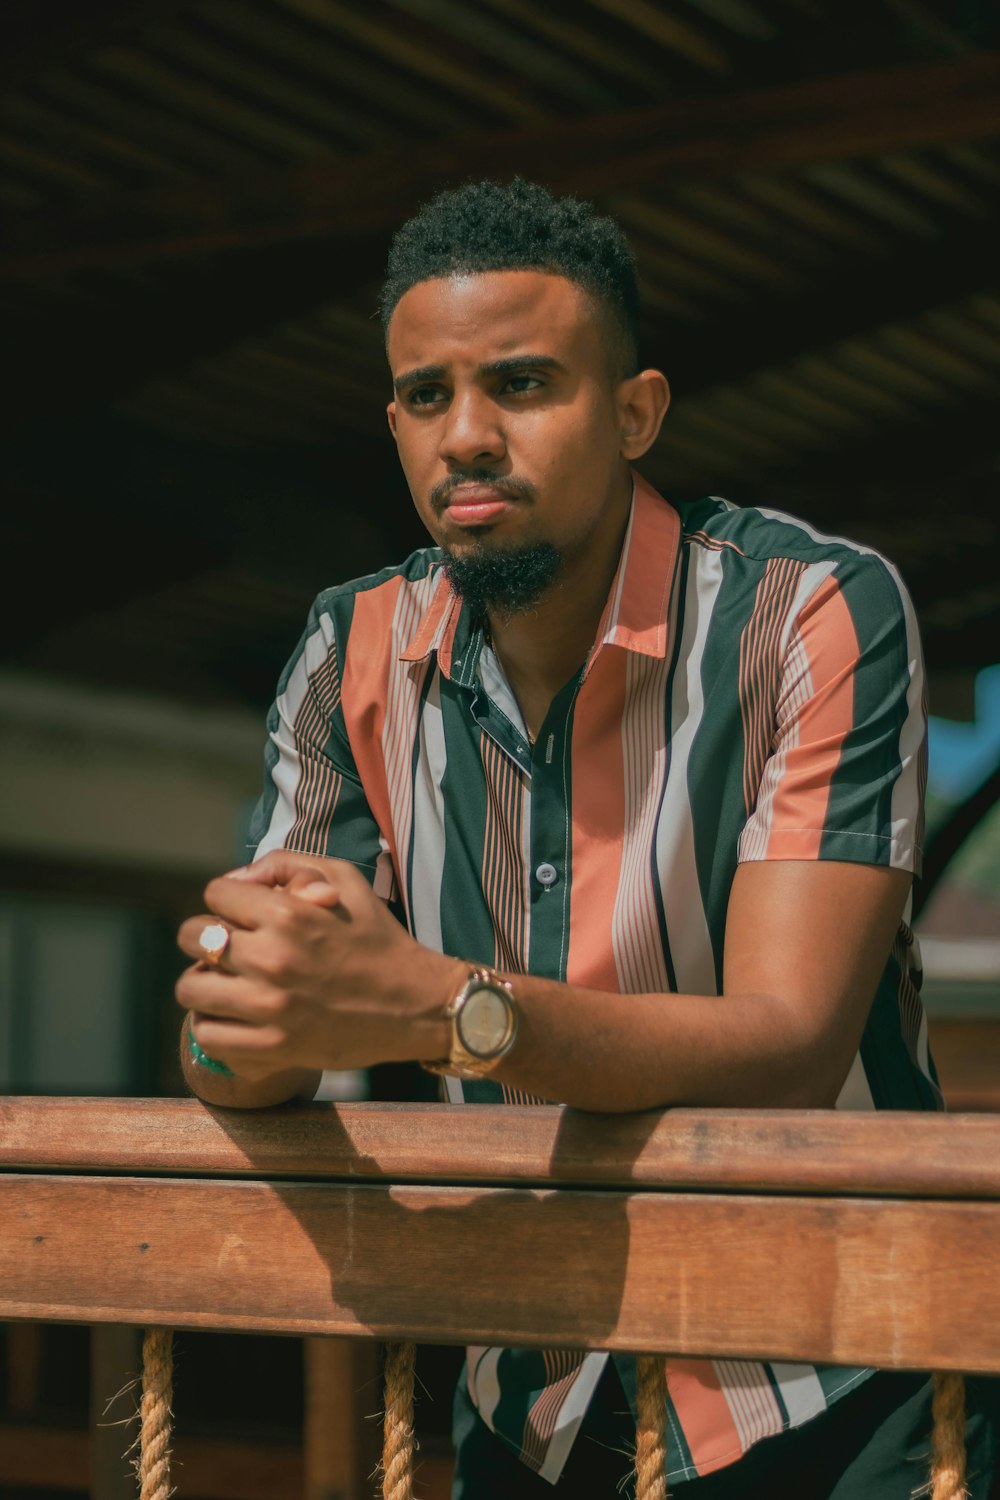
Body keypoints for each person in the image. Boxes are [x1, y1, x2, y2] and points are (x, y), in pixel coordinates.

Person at [176, 179, 996, 1496]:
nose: (470, 436)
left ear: (634, 413)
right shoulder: (349, 649)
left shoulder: (811, 615)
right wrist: (244, 1016)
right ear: (392, 421)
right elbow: (240, 1038)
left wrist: (440, 1010)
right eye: (427, 397)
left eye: (523, 384)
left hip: (840, 1392)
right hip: (528, 1403)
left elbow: (790, 1042)